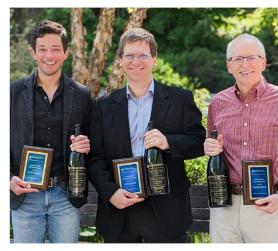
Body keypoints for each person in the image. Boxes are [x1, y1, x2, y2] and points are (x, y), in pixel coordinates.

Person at [88, 28, 205, 243]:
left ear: (154, 59)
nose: (136, 61)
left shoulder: (180, 100)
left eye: (143, 55)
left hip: (167, 210)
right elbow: (94, 158)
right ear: (121, 60)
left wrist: (168, 142)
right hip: (120, 210)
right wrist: (110, 192)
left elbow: (199, 142)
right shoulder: (103, 106)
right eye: (129, 55)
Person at [10, 20, 93, 243]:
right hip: (24, 196)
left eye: (56, 49)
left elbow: (94, 144)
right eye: (43, 49)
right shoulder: (12, 93)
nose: (49, 55)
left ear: (66, 53)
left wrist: (87, 145)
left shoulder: (83, 95)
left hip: (66, 195)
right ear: (33, 53)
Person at [203, 34, 278, 243]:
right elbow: (212, 145)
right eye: (238, 59)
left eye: (252, 57)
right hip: (224, 206)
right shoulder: (218, 102)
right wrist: (209, 146)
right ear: (229, 66)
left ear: (263, 62)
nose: (245, 64)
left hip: (267, 206)